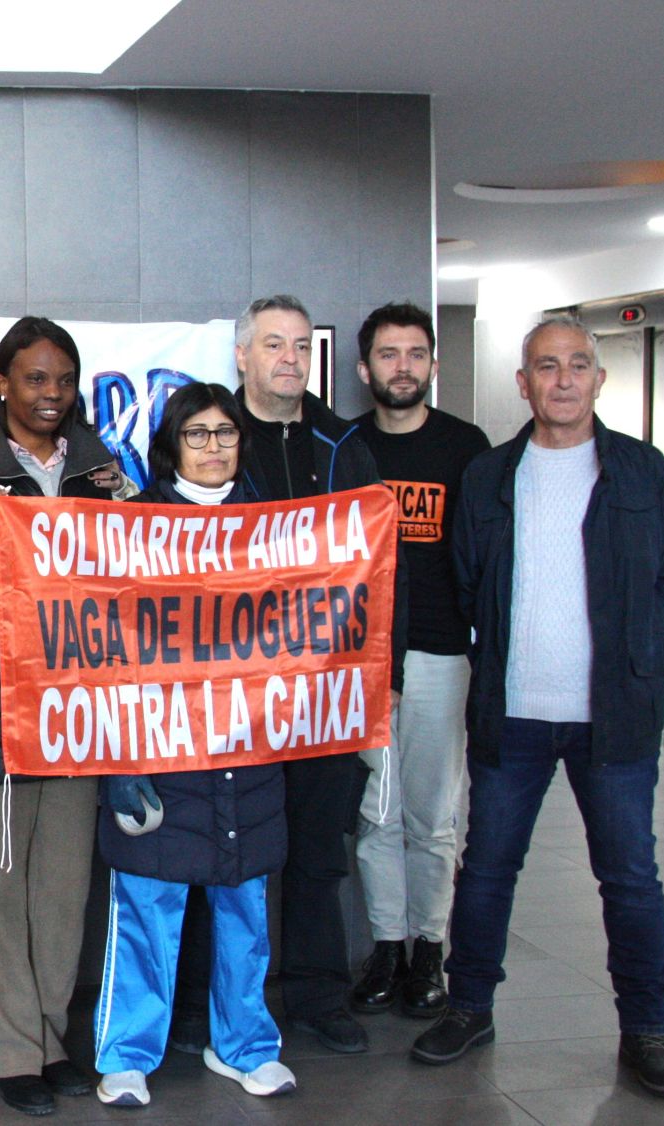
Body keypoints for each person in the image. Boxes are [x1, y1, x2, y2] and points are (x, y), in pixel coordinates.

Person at [411, 316, 664, 1100]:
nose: (563, 379)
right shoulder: (491, 477)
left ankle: (647, 1029)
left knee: (631, 876)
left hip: (617, 716)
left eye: (577, 366)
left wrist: (631, 649)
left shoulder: (643, 472)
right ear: (523, 383)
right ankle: (470, 1006)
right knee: (488, 869)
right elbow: (469, 578)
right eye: (546, 366)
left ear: (599, 379)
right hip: (515, 711)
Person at [0, 316, 125, 1116]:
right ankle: (11, 1052)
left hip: (77, 710)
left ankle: (50, 1037)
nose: (51, 395)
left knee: (62, 888)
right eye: (35, 378)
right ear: (3, 383)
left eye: (64, 380)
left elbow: (127, 592)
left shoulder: (101, 471)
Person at [91, 383, 295, 1109]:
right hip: (158, 752)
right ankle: (125, 1053)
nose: (214, 447)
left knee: (245, 912)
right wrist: (118, 760)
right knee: (148, 905)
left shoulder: (277, 526)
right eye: (198, 434)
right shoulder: (133, 525)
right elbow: (101, 648)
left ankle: (245, 1045)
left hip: (247, 747)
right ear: (171, 444)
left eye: (226, 433)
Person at [207, 293, 397, 1055]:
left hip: (326, 689)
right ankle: (211, 1006)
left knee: (320, 852)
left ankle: (318, 996)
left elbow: (384, 565)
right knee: (224, 856)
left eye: (299, 346)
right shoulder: (213, 437)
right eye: (273, 344)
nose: (288, 358)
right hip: (234, 694)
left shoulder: (344, 442)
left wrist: (384, 671)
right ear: (243, 357)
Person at [346, 303, 491, 1020]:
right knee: (377, 814)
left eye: (414, 353)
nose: (401, 366)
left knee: (434, 816)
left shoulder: (468, 447)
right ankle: (387, 946)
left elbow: (486, 556)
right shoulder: (345, 449)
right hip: (363, 663)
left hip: (439, 654)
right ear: (366, 367)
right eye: (388, 354)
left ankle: (430, 946)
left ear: (431, 364)